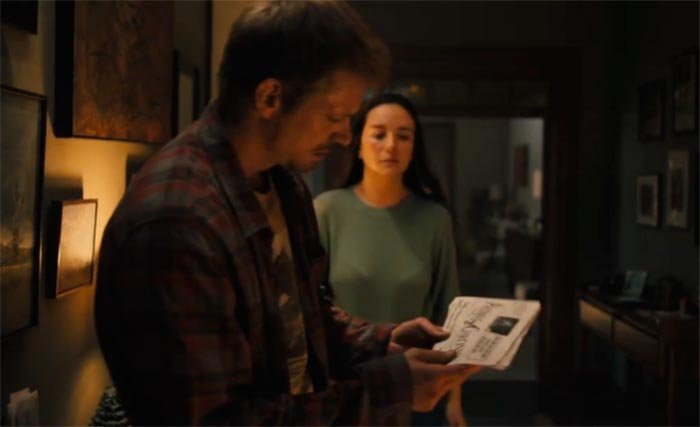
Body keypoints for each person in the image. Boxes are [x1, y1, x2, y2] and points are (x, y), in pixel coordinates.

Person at [94, 1, 479, 425]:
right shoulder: (179, 223)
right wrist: (389, 388)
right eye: (335, 116)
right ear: (270, 98)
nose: (345, 136)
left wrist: (379, 342)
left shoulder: (283, 181)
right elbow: (221, 420)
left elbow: (303, 312)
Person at [314, 93, 466, 426]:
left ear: (414, 148)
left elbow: (450, 311)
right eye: (379, 134)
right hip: (349, 391)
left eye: (403, 136)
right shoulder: (326, 211)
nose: (391, 146)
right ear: (358, 143)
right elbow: (310, 307)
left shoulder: (434, 219)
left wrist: (454, 398)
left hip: (417, 387)